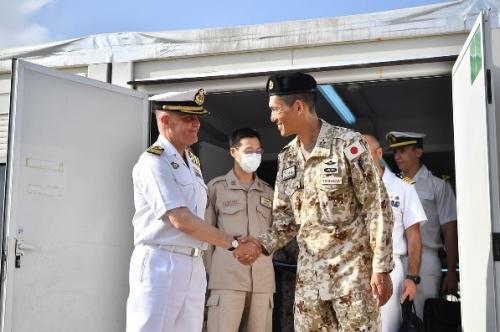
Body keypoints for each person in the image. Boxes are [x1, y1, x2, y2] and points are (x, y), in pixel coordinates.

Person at [236, 72, 395, 331]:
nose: (272, 118)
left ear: (298, 107)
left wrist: (382, 267)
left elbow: (376, 206)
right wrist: (259, 244)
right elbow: (285, 222)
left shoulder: (348, 144)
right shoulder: (286, 158)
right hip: (310, 281)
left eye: (276, 109)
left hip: (351, 278)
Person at [126, 89, 259, 332]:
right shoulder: (154, 162)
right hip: (161, 261)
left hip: (193, 262)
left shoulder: (191, 163)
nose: (197, 123)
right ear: (165, 120)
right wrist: (235, 243)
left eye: (198, 117)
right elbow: (182, 220)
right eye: (189, 118)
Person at [204, 127, 275, 332]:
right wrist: (213, 275)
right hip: (226, 280)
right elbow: (206, 237)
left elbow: (275, 235)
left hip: (263, 283)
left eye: (258, 151)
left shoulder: (269, 192)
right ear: (233, 152)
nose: (254, 156)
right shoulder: (216, 188)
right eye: (249, 150)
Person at [385, 131, 458, 319]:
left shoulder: (438, 186)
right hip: (396, 260)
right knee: (392, 319)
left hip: (426, 260)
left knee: (422, 318)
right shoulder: (390, 186)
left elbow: (449, 231)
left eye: (402, 151)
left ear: (418, 152)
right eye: (395, 152)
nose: (397, 156)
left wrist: (451, 271)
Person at [364, 134, 427, 331]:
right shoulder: (346, 189)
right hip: (354, 267)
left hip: (389, 268)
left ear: (378, 153)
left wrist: (412, 276)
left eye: (363, 150)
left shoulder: (402, 189)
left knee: (386, 327)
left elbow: (414, 235)